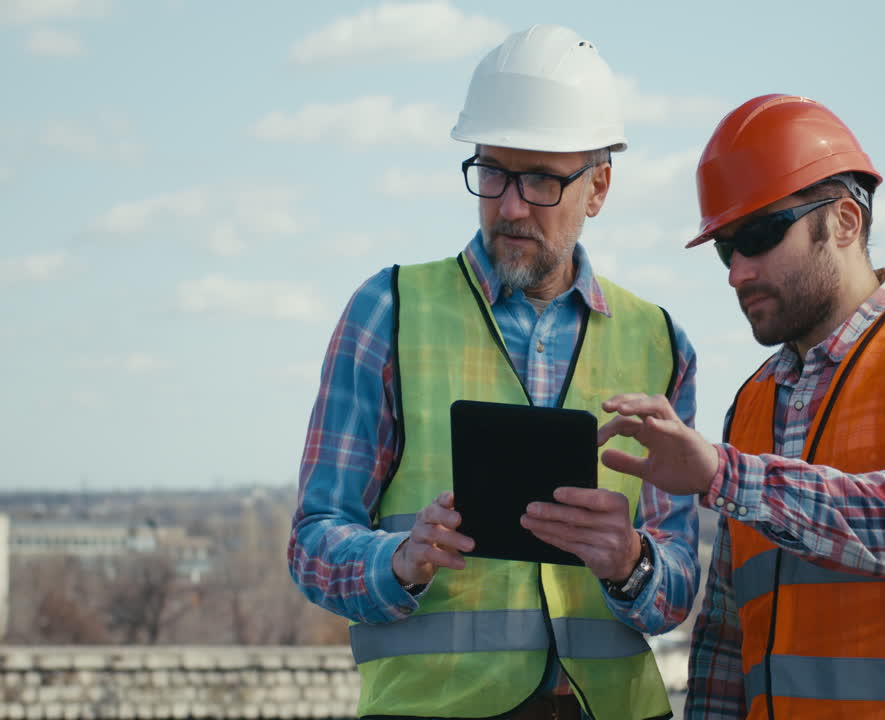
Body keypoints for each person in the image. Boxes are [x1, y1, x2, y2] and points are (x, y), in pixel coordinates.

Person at [287, 25, 699, 720]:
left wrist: (632, 561)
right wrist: (399, 560)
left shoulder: (659, 341)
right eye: (494, 172)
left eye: (541, 179)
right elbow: (313, 541)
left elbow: (679, 581)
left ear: (598, 186)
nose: (509, 205)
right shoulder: (386, 312)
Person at [597, 94, 885, 719]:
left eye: (758, 235)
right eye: (727, 248)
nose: (737, 272)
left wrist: (721, 475)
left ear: (844, 221)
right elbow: (727, 643)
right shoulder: (753, 404)